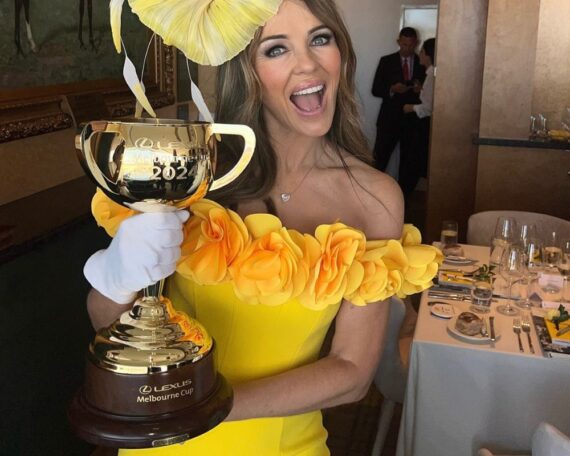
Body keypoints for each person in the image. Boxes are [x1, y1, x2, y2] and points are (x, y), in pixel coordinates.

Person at [84, 1, 441, 454]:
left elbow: (351, 372)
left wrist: (207, 409)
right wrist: (119, 275)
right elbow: (106, 320)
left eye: (320, 38)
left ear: (341, 52)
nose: (308, 63)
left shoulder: (374, 198)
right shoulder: (197, 178)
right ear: (246, 72)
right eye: (276, 49)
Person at [371, 27, 425, 172]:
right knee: (380, 159)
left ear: (417, 43)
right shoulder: (386, 61)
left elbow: (431, 95)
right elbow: (375, 89)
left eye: (411, 45)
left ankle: (402, 194)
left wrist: (420, 90)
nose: (407, 48)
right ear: (398, 41)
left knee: (409, 163)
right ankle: (372, 192)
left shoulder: (423, 63)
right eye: (404, 44)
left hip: (413, 120)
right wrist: (392, 89)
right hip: (389, 119)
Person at [402, 38, 436, 197]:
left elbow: (428, 108)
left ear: (429, 55)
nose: (419, 55)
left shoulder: (432, 75)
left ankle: (403, 200)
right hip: (424, 124)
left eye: (422, 52)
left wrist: (410, 107)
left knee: (414, 164)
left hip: (425, 124)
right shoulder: (430, 74)